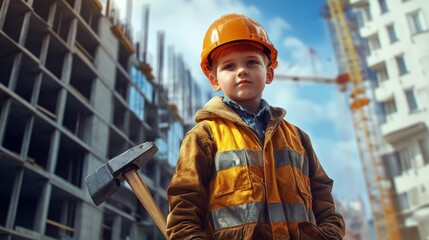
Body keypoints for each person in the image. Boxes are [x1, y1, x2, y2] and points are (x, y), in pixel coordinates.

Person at [166, 13, 345, 240]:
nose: (241, 70)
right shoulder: (203, 137)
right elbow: (185, 208)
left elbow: (323, 197)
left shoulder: (298, 138)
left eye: (251, 62)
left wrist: (328, 236)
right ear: (214, 80)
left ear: (268, 73)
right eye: (229, 66)